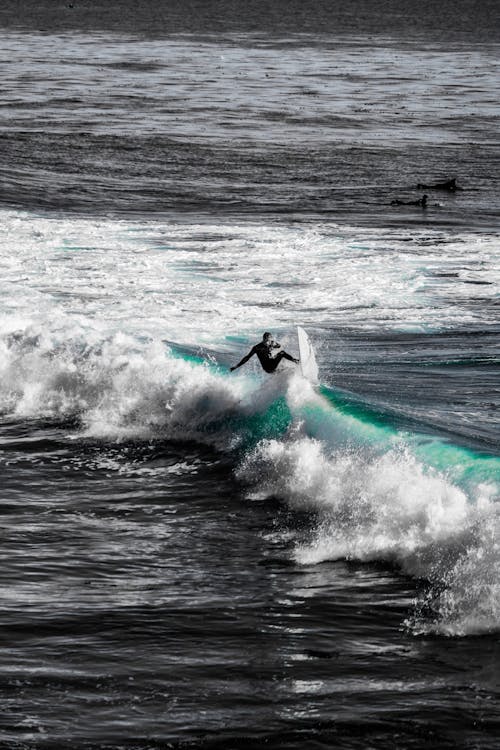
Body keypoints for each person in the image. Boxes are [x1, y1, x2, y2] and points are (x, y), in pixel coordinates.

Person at [230, 332, 299, 374]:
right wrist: (236, 366)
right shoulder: (257, 348)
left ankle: (295, 370)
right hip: (267, 368)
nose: (267, 343)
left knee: (286, 370)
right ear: (263, 339)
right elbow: (247, 357)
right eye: (266, 341)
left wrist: (274, 345)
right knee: (282, 353)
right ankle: (296, 361)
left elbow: (279, 346)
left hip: (273, 366)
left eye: (269, 341)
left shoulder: (271, 343)